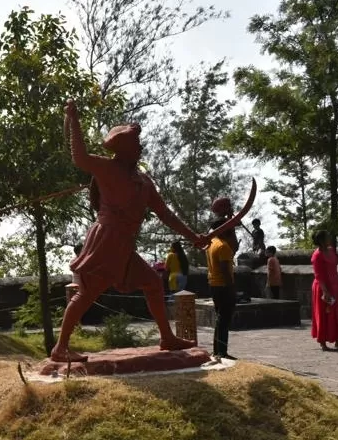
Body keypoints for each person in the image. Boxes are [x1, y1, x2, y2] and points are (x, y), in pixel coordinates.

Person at [51, 100, 209, 362]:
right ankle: (61, 348)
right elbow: (79, 157)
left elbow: (165, 214)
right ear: (124, 149)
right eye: (136, 144)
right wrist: (74, 120)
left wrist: (193, 236)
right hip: (106, 241)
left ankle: (166, 338)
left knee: (150, 282)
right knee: (87, 292)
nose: (141, 147)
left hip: (124, 245)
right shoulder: (107, 169)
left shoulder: (143, 181)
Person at [311, 230, 338, 350]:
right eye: (327, 236)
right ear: (322, 240)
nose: (330, 238)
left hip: (334, 285)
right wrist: (325, 291)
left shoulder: (331, 250)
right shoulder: (317, 255)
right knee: (324, 313)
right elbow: (318, 275)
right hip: (323, 286)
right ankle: (323, 342)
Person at [206, 216, 237, 360]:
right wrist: (231, 288)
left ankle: (217, 350)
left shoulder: (212, 243)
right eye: (229, 226)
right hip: (223, 286)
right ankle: (221, 351)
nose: (231, 228)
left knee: (220, 319)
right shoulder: (223, 246)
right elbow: (225, 270)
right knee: (224, 320)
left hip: (214, 285)